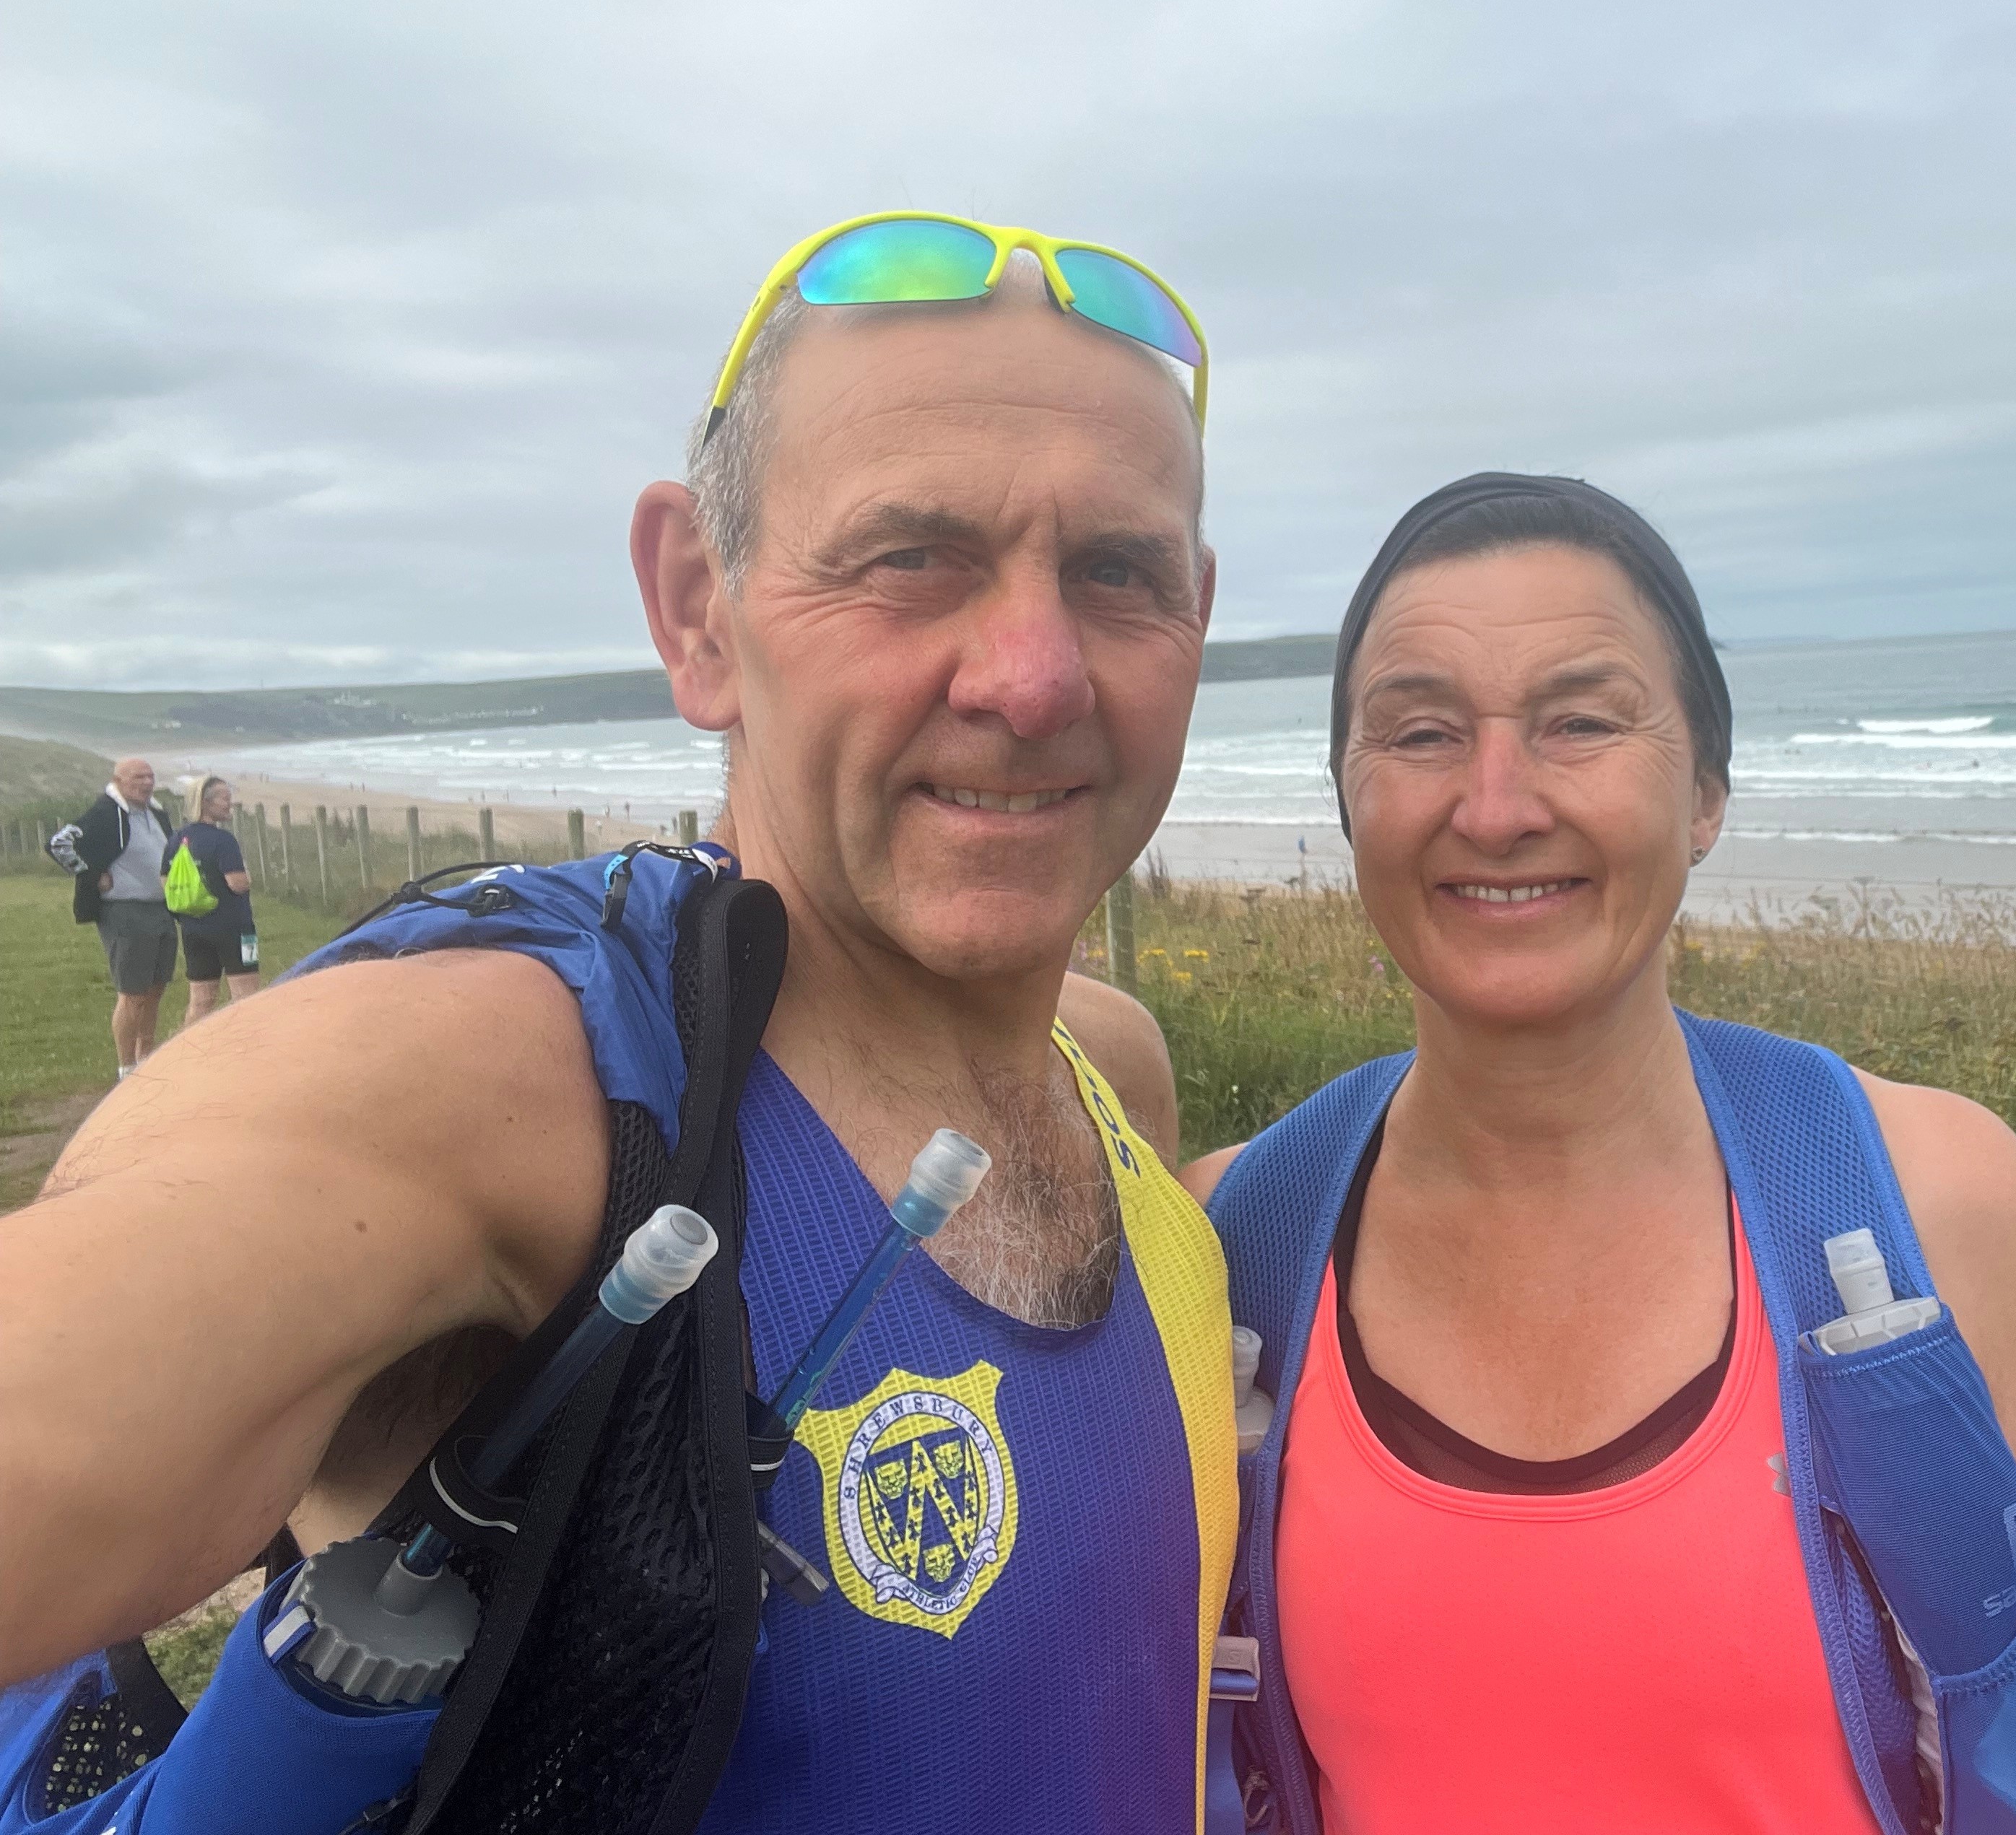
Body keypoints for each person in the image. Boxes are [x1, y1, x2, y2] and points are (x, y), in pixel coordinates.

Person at [0, 214, 1239, 1833]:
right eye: (909, 557)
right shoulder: (511, 1089)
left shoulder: (1112, 1067)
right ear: (699, 611)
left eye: (1118, 572)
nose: (1032, 674)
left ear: (1197, 619)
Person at [1186, 475, 2016, 1834]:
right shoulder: (1231, 1243)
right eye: (1421, 731)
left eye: (1581, 721)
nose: (1496, 804)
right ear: (1346, 797)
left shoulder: (1935, 1201)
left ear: (1708, 792)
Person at [64, 756, 177, 1081]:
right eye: (137, 777)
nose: (146, 782)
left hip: (161, 908)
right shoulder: (106, 812)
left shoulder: (155, 812)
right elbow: (60, 843)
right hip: (125, 911)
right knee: (132, 992)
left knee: (156, 988)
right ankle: (126, 1068)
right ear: (118, 780)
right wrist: (91, 874)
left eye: (150, 776)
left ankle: (146, 1058)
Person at [170, 776, 260, 1018]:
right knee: (246, 995)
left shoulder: (177, 839)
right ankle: (246, 1047)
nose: (230, 804)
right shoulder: (224, 841)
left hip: (194, 929)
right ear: (206, 803)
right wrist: (248, 876)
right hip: (236, 929)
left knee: (200, 1000)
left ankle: (190, 1050)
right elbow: (237, 884)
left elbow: (165, 882)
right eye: (225, 798)